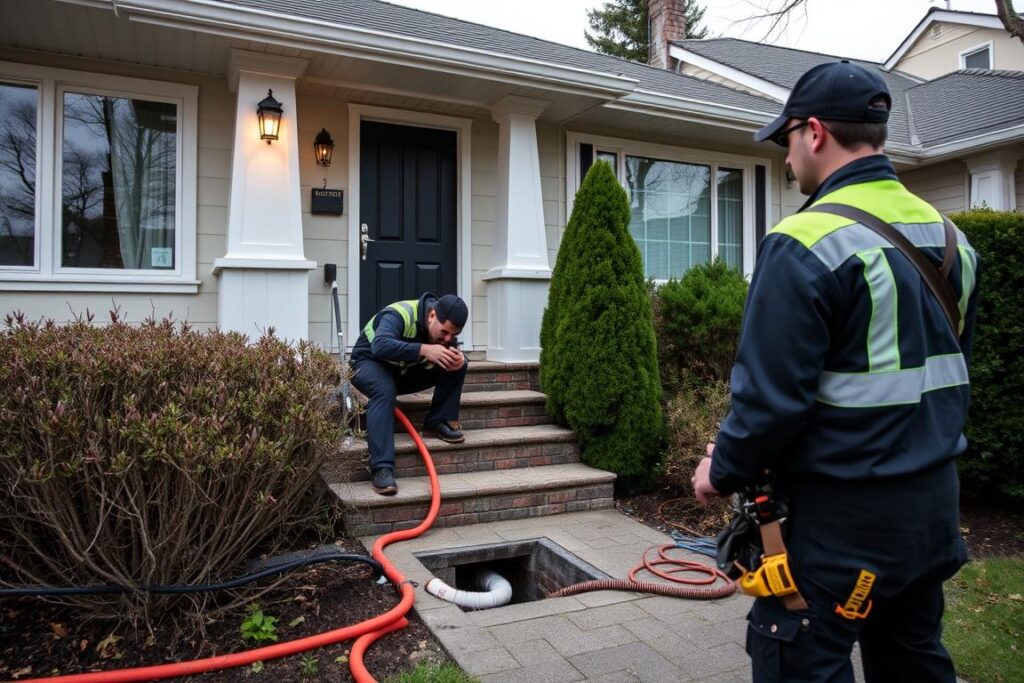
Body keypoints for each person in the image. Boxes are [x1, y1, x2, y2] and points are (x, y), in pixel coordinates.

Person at [692, 61, 980, 682]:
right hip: (930, 512)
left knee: (799, 661)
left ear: (815, 132)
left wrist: (721, 468)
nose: (787, 158)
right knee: (913, 659)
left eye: (786, 139)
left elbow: (770, 403)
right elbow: (947, 376)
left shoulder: (804, 241)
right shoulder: (952, 239)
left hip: (842, 525)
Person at [350, 292, 469, 495]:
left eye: (453, 335)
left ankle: (438, 421)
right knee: (384, 389)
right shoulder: (398, 314)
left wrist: (460, 359)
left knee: (457, 364)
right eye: (444, 332)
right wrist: (425, 349)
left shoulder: (442, 333)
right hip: (367, 364)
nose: (448, 339)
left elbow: (450, 352)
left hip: (400, 372)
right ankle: (381, 468)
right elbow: (380, 346)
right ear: (431, 315)